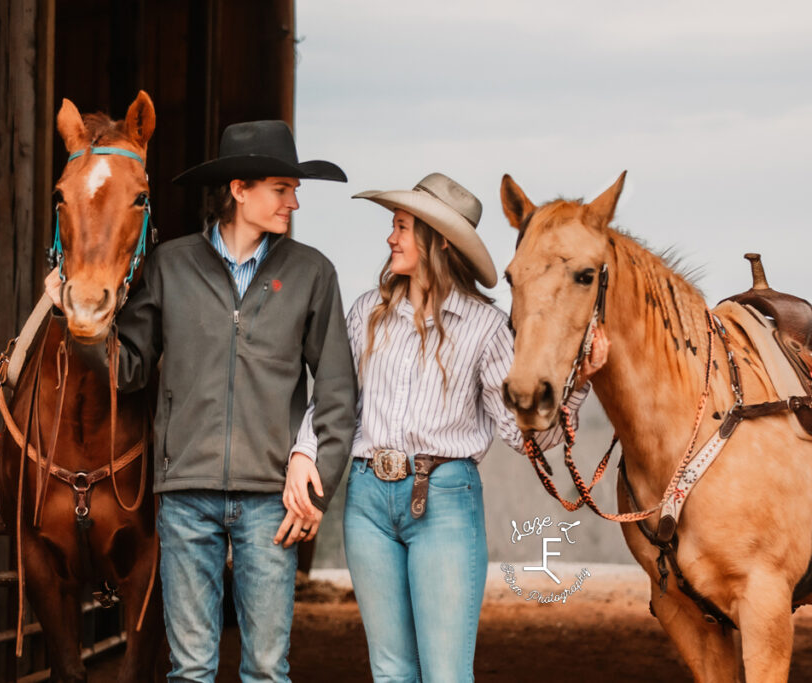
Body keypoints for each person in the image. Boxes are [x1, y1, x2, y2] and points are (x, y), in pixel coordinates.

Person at [47, 120, 357, 682]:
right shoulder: (171, 266)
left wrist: (315, 480)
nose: (294, 201)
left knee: (266, 668)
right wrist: (83, 326)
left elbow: (337, 391)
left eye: (294, 189)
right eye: (281, 188)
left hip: (271, 502)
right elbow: (131, 368)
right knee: (190, 670)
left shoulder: (312, 273)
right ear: (239, 190)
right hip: (186, 496)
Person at [289, 173, 598, 682]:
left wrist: (578, 384)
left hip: (445, 503)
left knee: (446, 675)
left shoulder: (486, 327)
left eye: (403, 226)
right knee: (390, 673)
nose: (391, 237)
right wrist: (304, 451)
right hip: (366, 500)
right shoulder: (367, 312)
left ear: (437, 241)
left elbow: (522, 437)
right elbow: (334, 401)